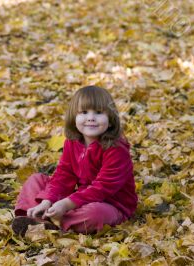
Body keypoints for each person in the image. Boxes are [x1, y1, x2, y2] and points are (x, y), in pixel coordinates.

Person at [11, 85, 138, 237]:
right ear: (74, 117)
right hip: (79, 198)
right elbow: (64, 176)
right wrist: (47, 201)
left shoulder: (116, 148)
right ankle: (35, 216)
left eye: (98, 113)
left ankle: (55, 222)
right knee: (35, 179)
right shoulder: (72, 142)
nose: (91, 118)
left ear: (110, 120)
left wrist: (66, 204)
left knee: (95, 214)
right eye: (84, 112)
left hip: (111, 204)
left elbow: (103, 187)